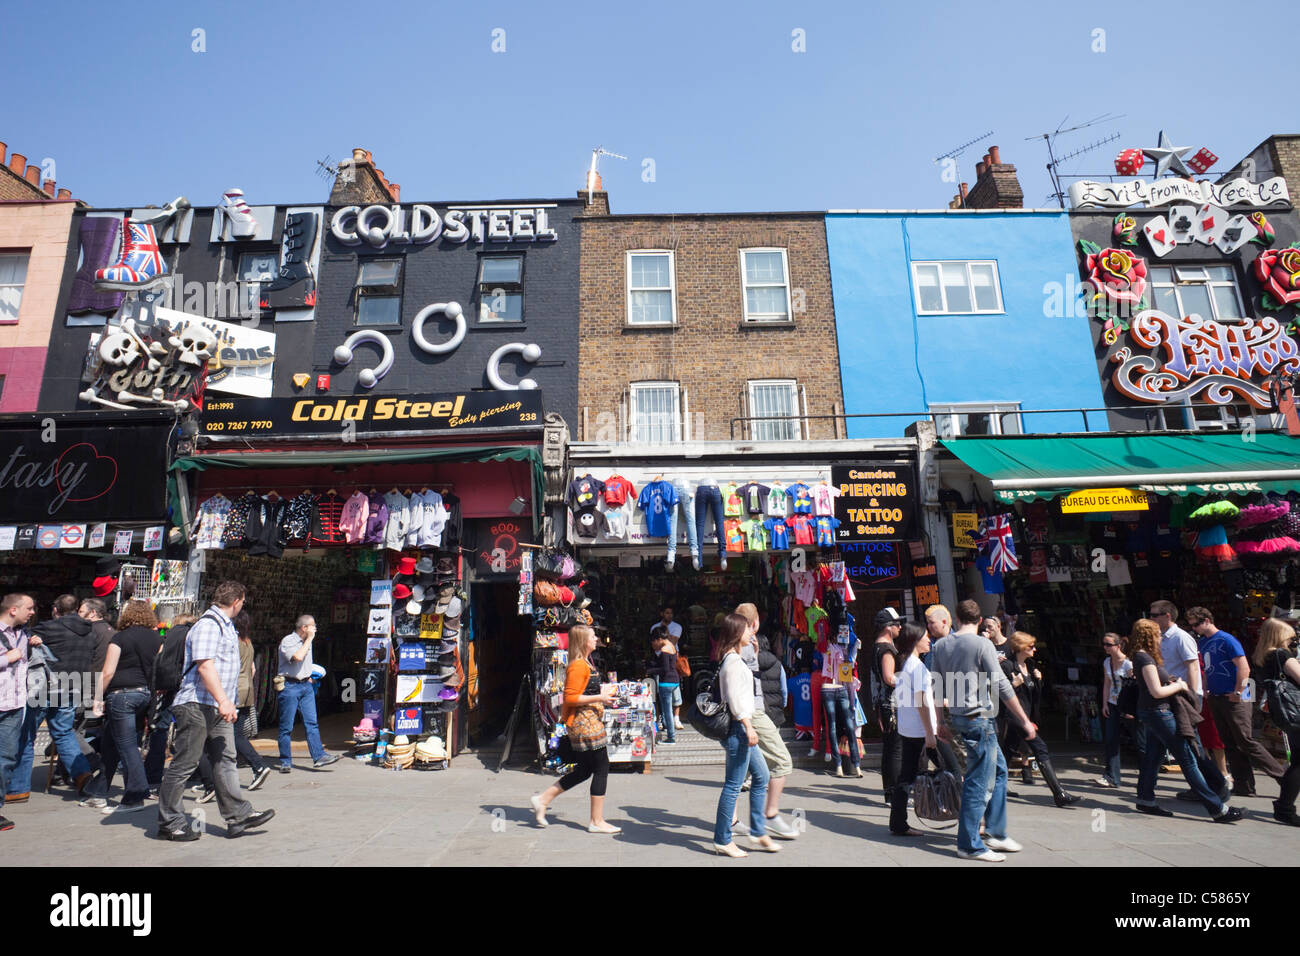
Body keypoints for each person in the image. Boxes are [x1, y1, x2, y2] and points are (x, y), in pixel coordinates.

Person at [156, 580, 275, 842]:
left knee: (225, 759)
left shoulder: (226, 627)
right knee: (184, 763)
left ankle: (238, 815)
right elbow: (205, 666)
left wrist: (225, 702)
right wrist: (224, 701)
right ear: (237, 601)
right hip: (197, 704)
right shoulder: (209, 625)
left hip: (217, 706)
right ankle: (170, 821)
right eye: (243, 601)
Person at [930, 598, 1037, 861]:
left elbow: (935, 688)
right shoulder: (982, 644)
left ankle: (995, 833)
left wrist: (940, 723)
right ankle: (969, 843)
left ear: (956, 619)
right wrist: (1024, 719)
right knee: (979, 782)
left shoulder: (942, 645)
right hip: (979, 718)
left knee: (998, 771)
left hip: (959, 717)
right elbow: (1001, 684)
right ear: (979, 621)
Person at [1128, 617, 1238, 822]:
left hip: (1152, 712)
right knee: (1187, 759)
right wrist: (1180, 685)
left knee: (1153, 758)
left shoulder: (1142, 657)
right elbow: (1157, 691)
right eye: (1157, 633)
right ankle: (1217, 808)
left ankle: (1145, 799)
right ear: (1150, 636)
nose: (1160, 636)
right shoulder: (1145, 659)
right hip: (1159, 712)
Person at [530, 625, 620, 833]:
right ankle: (596, 821)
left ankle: (543, 799)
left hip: (587, 721)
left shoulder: (586, 663)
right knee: (601, 767)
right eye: (592, 636)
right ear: (583, 641)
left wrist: (603, 690)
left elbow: (583, 690)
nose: (596, 639)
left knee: (585, 770)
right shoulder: (578, 665)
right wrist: (600, 697)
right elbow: (570, 698)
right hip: (584, 724)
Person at [1189, 607, 1286, 797]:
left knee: (1245, 740)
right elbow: (1208, 668)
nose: (1194, 628)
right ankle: (1244, 785)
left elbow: (1243, 667)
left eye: (1196, 624)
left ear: (1207, 620)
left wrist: (1239, 691)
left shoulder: (1226, 639)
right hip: (1217, 696)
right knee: (1230, 741)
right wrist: (1206, 688)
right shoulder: (1204, 643)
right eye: (1192, 625)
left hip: (1233, 696)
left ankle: (1283, 777)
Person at [14, 594, 96, 799]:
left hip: (45, 686)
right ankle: (82, 774)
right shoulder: (89, 631)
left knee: (27, 736)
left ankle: (18, 788)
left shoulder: (50, 628)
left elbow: (19, 639)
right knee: (64, 732)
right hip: (74, 684)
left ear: (56, 610)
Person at [86, 600, 163, 814]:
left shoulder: (120, 637)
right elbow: (159, 668)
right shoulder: (158, 639)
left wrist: (97, 697)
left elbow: (108, 671)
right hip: (144, 695)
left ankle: (135, 795)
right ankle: (98, 792)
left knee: (127, 747)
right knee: (112, 744)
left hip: (121, 695)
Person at [712, 612, 777, 857]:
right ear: (737, 633)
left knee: (761, 776)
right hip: (740, 729)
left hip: (742, 728)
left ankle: (759, 831)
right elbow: (737, 703)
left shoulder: (733, 659)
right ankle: (722, 838)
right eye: (748, 630)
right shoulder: (733, 663)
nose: (752, 633)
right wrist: (749, 728)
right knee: (733, 785)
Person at [734, 603, 798, 839]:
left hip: (741, 713)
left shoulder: (735, 643)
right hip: (753, 712)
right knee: (781, 761)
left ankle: (732, 821)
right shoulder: (748, 644)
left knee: (739, 772)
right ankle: (771, 813)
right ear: (756, 622)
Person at [1000, 631, 1080, 807]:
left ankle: (995, 788)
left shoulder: (1030, 665)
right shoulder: (1007, 667)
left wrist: (1039, 681)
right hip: (1015, 716)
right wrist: (1014, 684)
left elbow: (1034, 695)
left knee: (1007, 751)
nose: (1035, 649)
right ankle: (1059, 793)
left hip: (1027, 715)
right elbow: (1000, 694)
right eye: (1031, 646)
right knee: (1040, 748)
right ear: (1020, 647)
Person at [889, 622, 956, 836]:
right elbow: (921, 703)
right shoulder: (916, 667)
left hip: (910, 730)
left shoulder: (908, 664)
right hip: (924, 732)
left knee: (906, 776)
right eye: (925, 636)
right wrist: (930, 733)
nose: (929, 639)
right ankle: (969, 821)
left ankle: (898, 824)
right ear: (915, 641)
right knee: (955, 773)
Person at [276, 615, 339, 771]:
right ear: (304, 628)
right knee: (286, 726)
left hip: (306, 685)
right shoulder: (288, 641)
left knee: (312, 723)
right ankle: (285, 761)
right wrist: (309, 640)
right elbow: (297, 657)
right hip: (290, 686)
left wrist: (310, 676)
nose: (315, 629)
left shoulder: (307, 642)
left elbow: (306, 663)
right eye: (312, 626)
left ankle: (319, 756)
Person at [1253, 617, 1300, 826]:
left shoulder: (1264, 656)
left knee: (1298, 760)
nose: (1293, 641)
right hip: (1296, 711)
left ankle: (1284, 806)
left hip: (1286, 714)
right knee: (1299, 762)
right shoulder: (1282, 655)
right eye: (1291, 637)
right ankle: (1285, 808)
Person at [0, 593, 36, 831]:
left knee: (6, 758)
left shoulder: (23, 635)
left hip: (12, 706)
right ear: (14, 609)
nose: (32, 612)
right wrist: (5, 659)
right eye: (29, 608)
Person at [232, 611, 270, 790]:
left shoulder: (234, 642)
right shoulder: (248, 643)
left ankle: (258, 765)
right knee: (234, 734)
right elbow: (253, 669)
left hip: (235, 692)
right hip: (247, 690)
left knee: (233, 735)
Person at [870, 607, 903, 804]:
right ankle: (894, 792)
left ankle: (890, 792)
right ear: (888, 627)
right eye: (897, 623)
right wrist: (910, 680)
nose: (900, 626)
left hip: (884, 703)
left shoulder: (877, 646)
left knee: (890, 749)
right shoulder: (887, 649)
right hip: (892, 704)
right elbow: (889, 677)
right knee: (896, 749)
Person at [1097, 632, 1135, 789]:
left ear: (1118, 646)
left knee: (1140, 741)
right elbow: (1107, 683)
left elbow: (1133, 687)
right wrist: (1105, 703)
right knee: (1111, 740)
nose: (1105, 647)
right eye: (1104, 644)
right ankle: (1112, 776)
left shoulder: (1128, 664)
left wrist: (1131, 708)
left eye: (1109, 644)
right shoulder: (1107, 662)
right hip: (1113, 703)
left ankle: (1148, 774)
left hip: (1126, 705)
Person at [647, 626, 679, 744]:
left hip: (666, 682)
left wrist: (650, 671)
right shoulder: (672, 646)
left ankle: (671, 737)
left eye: (654, 641)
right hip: (674, 680)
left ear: (659, 639)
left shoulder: (665, 649)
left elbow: (664, 669)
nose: (654, 644)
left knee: (667, 711)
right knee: (669, 709)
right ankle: (671, 735)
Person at [79, 598, 115, 675]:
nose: (78, 615)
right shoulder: (111, 630)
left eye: (81, 612)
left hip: (89, 680)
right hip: (106, 679)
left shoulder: (88, 631)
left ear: (92, 613)